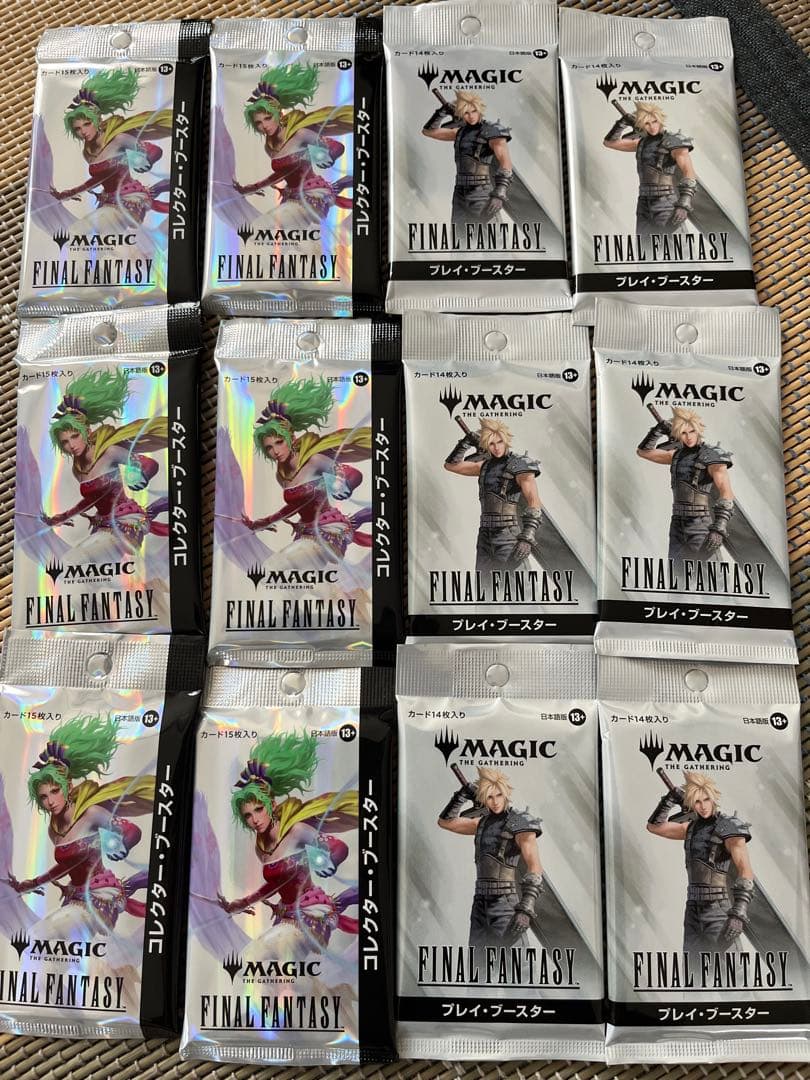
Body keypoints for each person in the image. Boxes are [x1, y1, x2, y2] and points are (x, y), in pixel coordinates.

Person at [7, 714, 153, 938]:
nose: (50, 801)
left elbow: (131, 830)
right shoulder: (54, 829)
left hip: (100, 895)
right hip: (75, 898)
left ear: (67, 786)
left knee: (39, 935)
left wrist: (122, 844)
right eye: (44, 797)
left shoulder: (91, 814)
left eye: (55, 791)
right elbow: (67, 865)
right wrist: (32, 883)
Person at [216, 732, 358, 959]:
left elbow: (337, 846)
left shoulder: (296, 831)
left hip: (311, 913)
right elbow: (274, 885)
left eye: (259, 810)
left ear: (272, 805)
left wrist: (328, 860)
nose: (255, 819)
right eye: (248, 815)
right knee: (259, 966)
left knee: (265, 956)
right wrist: (241, 903)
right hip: (287, 917)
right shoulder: (261, 848)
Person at [240, 377, 372, 567]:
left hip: (329, 530)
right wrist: (263, 522)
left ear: (291, 438)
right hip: (305, 533)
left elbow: (352, 473)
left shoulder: (314, 460)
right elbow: (295, 506)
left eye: (279, 442)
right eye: (269, 447)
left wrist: (341, 483)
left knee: (274, 566)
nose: (275, 451)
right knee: (298, 579)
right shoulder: (281, 475)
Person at [41, 369, 169, 552]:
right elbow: (91, 500)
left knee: (79, 557)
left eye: (75, 436)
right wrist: (62, 516)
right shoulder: (78, 469)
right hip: (103, 525)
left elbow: (149, 464)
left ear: (87, 432)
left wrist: (138, 475)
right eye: (65, 442)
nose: (71, 445)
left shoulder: (109, 452)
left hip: (126, 521)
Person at [232, 62, 353, 227]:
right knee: (278, 237)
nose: (264, 126)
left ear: (279, 115)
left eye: (268, 118)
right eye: (258, 123)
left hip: (313, 196)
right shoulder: (270, 147)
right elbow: (281, 174)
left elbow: (336, 146)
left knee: (263, 226)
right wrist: (250, 188)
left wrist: (325, 155)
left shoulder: (300, 134)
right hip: (292, 198)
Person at [647, 771, 754, 953]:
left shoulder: (728, 827)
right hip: (693, 908)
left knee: (729, 966)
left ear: (713, 798)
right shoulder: (690, 828)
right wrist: (670, 799)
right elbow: (654, 827)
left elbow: (746, 871)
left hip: (718, 908)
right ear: (691, 803)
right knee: (693, 967)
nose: (703, 806)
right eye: (697, 801)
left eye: (706, 800)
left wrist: (739, 913)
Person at [50, 69, 172, 227]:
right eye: (78, 129)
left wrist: (144, 159)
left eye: (87, 124)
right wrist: (68, 193)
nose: (83, 131)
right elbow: (98, 179)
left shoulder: (118, 139)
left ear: (97, 121)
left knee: (86, 228)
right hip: (108, 202)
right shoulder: (88, 153)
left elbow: (154, 150)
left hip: (130, 199)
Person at [438, 766, 543, 948]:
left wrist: (526, 908)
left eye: (499, 795)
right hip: (480, 902)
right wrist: (461, 795)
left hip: (505, 902)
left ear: (506, 793)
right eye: (489, 797)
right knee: (478, 961)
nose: (495, 802)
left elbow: (535, 867)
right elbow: (445, 822)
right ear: (483, 798)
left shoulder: (520, 822)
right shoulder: (481, 823)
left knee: (514, 962)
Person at [444, 418, 542, 574]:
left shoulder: (520, 464)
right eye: (491, 444)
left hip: (508, 534)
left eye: (499, 442)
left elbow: (534, 502)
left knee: (517, 584)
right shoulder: (484, 466)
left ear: (506, 440)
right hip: (485, 535)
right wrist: (466, 442)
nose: (496, 448)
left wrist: (527, 536)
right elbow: (451, 465)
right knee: (484, 585)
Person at [637, 406, 734, 561]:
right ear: (677, 434)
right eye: (683, 433)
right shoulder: (676, 455)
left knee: (710, 573)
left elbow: (726, 492)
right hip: (677, 524)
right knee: (677, 573)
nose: (688, 437)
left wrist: (719, 527)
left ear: (698, 430)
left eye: (692, 431)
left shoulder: (711, 455)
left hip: (700, 524)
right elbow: (643, 452)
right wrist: (657, 430)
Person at [603, 102, 697, 234]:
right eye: (647, 123)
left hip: (665, 202)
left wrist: (684, 204)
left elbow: (689, 172)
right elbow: (609, 143)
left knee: (676, 244)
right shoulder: (641, 142)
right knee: (645, 245)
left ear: (660, 120)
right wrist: (622, 123)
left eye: (654, 121)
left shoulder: (674, 141)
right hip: (644, 202)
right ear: (641, 124)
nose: (652, 127)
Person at [422, 90, 513, 227]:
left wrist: (499, 193)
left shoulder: (492, 131)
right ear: (460, 113)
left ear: (480, 109)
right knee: (459, 236)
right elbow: (428, 131)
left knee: (490, 236)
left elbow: (506, 164)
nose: (471, 116)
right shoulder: (460, 132)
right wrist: (442, 112)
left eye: (474, 111)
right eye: (466, 113)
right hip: (459, 192)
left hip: (481, 192)